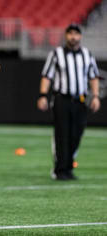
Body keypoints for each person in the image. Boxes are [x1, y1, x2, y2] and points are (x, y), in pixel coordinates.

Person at [37, 24, 100, 180]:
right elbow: (47, 76)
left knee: (76, 134)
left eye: (76, 34)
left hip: (80, 100)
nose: (73, 36)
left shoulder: (87, 54)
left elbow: (93, 76)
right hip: (62, 99)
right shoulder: (56, 54)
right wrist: (43, 95)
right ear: (66, 36)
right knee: (61, 134)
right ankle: (60, 169)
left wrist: (96, 96)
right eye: (70, 33)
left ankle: (69, 167)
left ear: (80, 36)